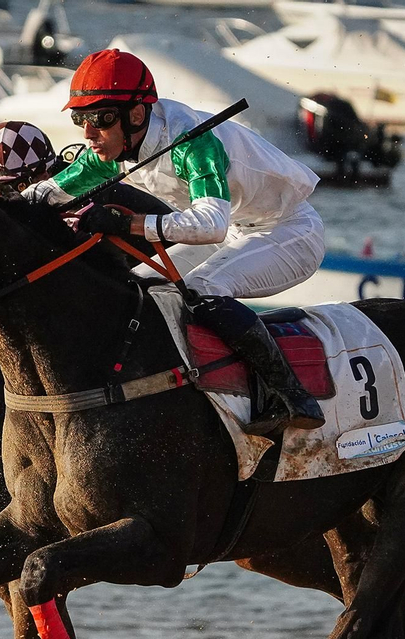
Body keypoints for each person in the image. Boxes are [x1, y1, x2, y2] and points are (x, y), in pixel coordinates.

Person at [21, 48, 326, 432]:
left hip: (286, 232)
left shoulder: (193, 144)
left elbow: (210, 225)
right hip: (234, 228)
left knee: (202, 288)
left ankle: (291, 396)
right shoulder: (112, 148)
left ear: (135, 114)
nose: (88, 132)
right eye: (82, 118)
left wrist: (128, 224)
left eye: (100, 119)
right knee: (142, 288)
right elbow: (48, 193)